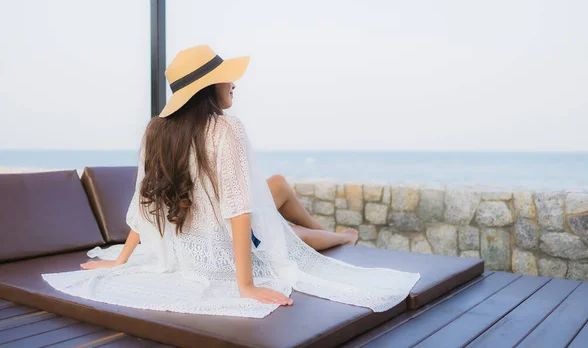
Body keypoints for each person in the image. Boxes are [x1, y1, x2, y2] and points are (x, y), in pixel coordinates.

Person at [42, 45, 420, 318]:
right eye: (226, 78)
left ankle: (337, 236)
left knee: (277, 193)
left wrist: (121, 259)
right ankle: (342, 237)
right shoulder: (226, 129)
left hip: (185, 250)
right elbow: (238, 209)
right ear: (207, 86)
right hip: (223, 251)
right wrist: (246, 285)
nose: (234, 83)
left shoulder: (155, 131)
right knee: (282, 233)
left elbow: (146, 202)